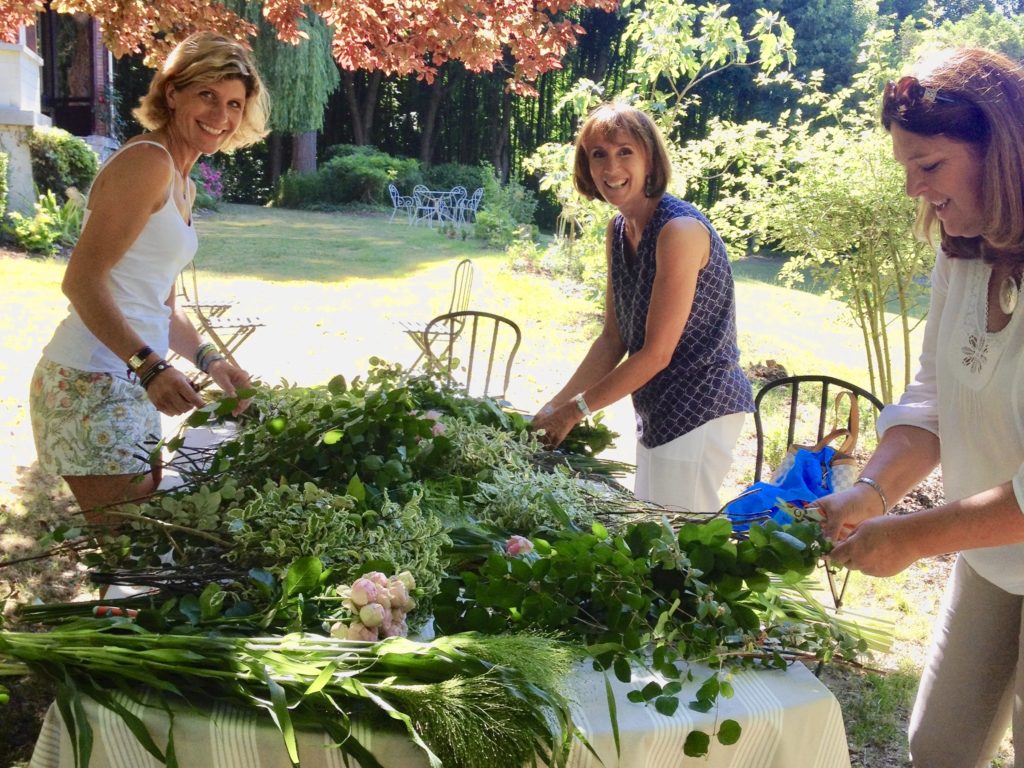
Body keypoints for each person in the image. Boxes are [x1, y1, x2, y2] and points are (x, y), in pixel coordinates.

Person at [820, 48, 1024, 767]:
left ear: (999, 148)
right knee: (938, 746)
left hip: (986, 529)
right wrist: (872, 492)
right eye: (906, 169)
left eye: (929, 166)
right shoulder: (960, 253)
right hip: (993, 551)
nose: (915, 189)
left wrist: (915, 537)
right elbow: (933, 397)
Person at [29, 32, 270, 521]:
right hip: (88, 379)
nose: (220, 116)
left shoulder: (182, 181)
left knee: (142, 538)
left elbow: (163, 305)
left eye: (233, 103)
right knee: (130, 552)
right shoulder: (146, 163)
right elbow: (81, 281)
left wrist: (210, 361)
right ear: (172, 91)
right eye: (207, 94)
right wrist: (151, 367)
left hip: (130, 374)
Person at [531, 102, 753, 513]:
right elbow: (612, 340)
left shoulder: (679, 230)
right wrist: (551, 408)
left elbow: (656, 353)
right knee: (654, 531)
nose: (611, 167)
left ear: (650, 159)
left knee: (682, 545)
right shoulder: (618, 229)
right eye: (598, 154)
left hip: (701, 406)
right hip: (657, 408)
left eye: (624, 152)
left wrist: (573, 413)